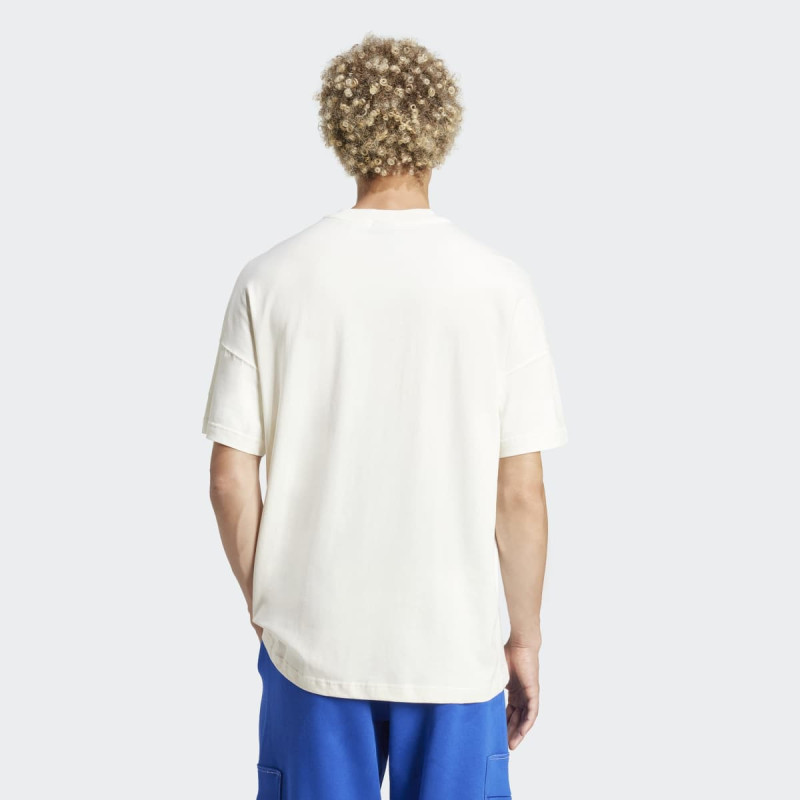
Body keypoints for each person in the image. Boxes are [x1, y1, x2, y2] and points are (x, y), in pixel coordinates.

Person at [202, 33, 568, 800]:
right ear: (442, 132)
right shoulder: (499, 287)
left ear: (341, 133)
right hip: (454, 648)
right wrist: (525, 640)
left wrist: (266, 604)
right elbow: (520, 494)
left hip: (311, 644)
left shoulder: (270, 279)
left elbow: (231, 478)